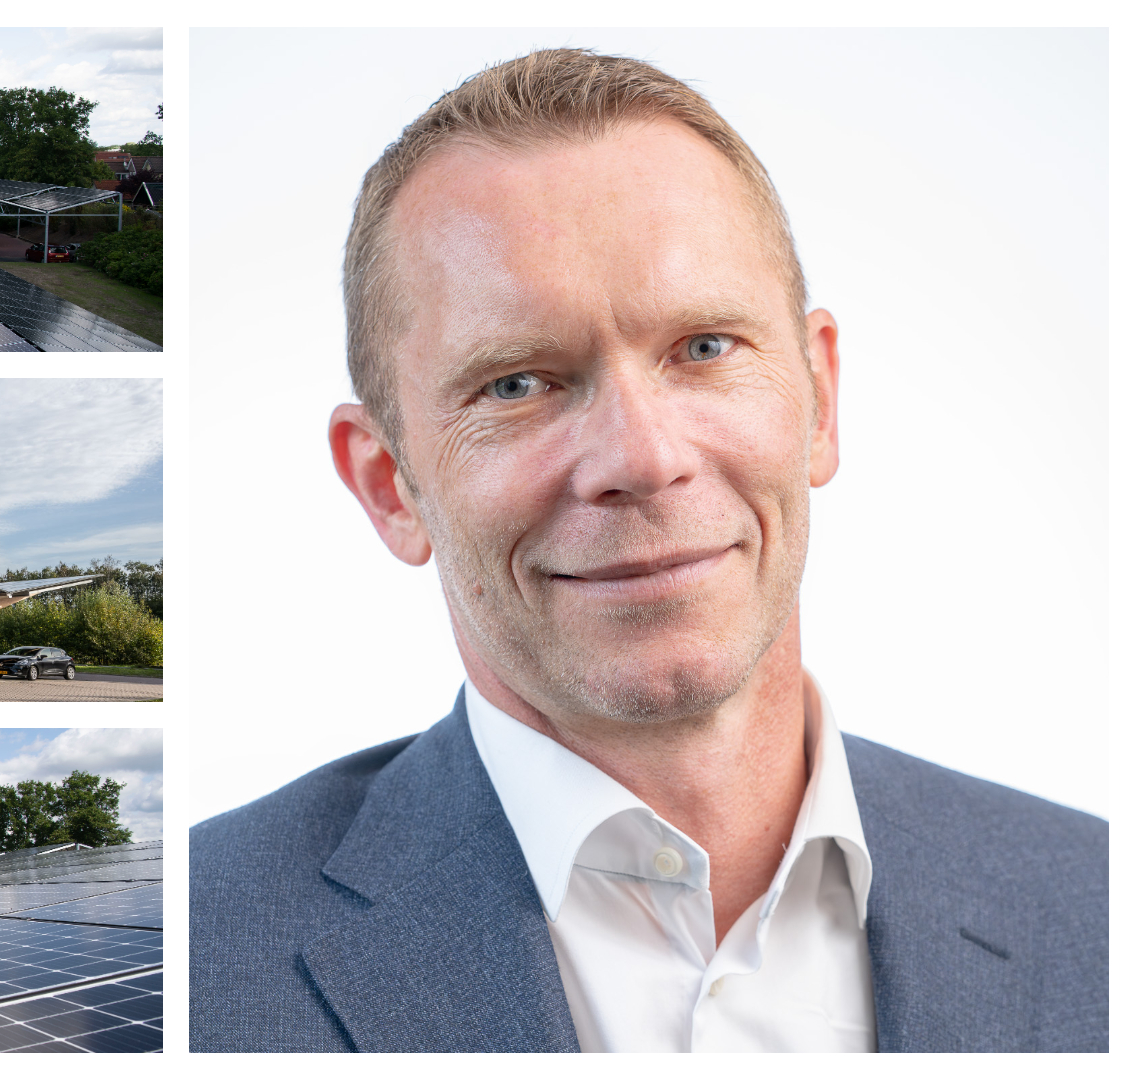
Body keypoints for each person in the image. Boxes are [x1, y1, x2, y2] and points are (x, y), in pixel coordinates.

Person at [189, 48, 1106, 1053]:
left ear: (821, 401)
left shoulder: (1098, 909)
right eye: (517, 384)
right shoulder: (190, 960)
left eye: (705, 348)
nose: (642, 457)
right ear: (386, 484)